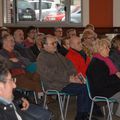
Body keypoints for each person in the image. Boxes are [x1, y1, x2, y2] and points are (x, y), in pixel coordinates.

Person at [37, 35, 91, 120]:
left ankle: (85, 114)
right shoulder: (42, 57)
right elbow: (50, 74)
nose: (55, 45)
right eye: (52, 43)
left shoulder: (57, 54)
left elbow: (70, 65)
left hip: (66, 82)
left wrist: (75, 76)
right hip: (55, 85)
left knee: (87, 86)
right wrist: (68, 78)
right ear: (45, 45)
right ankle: (81, 116)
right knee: (83, 88)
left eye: (55, 43)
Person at [86, 38, 120, 117]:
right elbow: (102, 83)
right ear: (99, 49)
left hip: (105, 89)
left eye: (109, 47)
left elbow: (108, 78)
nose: (109, 50)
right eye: (106, 48)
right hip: (101, 92)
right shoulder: (97, 64)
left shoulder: (102, 60)